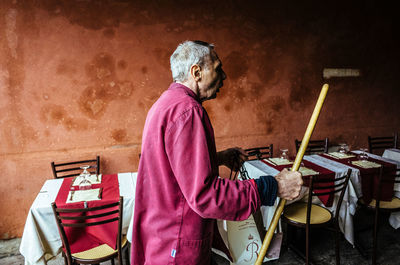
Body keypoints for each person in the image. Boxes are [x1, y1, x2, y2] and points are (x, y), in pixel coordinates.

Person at [131, 40, 303, 265]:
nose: (224, 77)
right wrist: (273, 186)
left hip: (161, 236)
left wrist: (217, 158)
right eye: (218, 68)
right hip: (177, 243)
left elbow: (170, 167)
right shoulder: (188, 111)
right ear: (197, 72)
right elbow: (205, 195)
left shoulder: (166, 104)